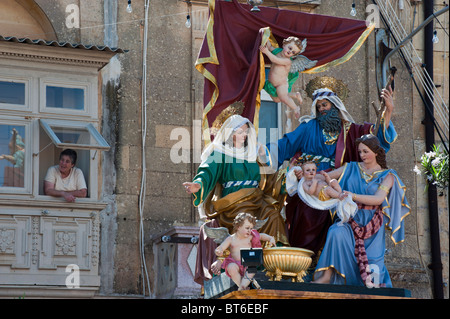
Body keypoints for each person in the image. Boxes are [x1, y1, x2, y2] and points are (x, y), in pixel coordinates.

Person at [267, 76, 397, 255]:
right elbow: (286, 145)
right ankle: (305, 257)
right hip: (310, 178)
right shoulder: (308, 127)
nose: (322, 110)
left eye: (325, 105)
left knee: (337, 218)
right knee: (306, 213)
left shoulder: (351, 130)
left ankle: (326, 259)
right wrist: (264, 152)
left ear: (334, 105)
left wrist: (387, 111)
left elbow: (374, 140)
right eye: (319, 106)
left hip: (337, 179)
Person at [183, 111, 288, 285]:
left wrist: (288, 178)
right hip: (233, 206)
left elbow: (269, 178)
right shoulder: (219, 154)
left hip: (257, 200)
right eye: (239, 132)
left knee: (274, 216)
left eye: (246, 131)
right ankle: (247, 269)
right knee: (246, 220)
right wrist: (199, 185)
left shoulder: (254, 154)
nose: (243, 135)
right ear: (230, 134)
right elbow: (206, 172)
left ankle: (275, 265)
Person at [312, 134, 410, 288]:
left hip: (372, 226)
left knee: (374, 268)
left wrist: (353, 195)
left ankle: (374, 290)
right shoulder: (350, 168)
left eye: (366, 151)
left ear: (376, 152)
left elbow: (378, 199)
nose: (362, 155)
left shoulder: (388, 175)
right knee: (335, 232)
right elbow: (324, 177)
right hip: (350, 219)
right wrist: (306, 175)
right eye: (360, 152)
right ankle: (327, 276)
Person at [215, 212, 276, 290]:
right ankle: (242, 286)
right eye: (247, 228)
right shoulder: (231, 239)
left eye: (251, 228)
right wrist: (219, 251)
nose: (250, 231)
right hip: (234, 263)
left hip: (248, 263)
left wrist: (270, 238)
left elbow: (262, 236)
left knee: (252, 269)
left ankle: (243, 287)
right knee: (231, 267)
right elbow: (221, 247)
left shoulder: (250, 237)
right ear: (238, 226)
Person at [259, 36, 304, 118]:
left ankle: (295, 108)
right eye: (290, 48)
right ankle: (295, 95)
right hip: (272, 83)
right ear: (284, 45)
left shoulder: (287, 61)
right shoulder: (278, 51)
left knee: (283, 97)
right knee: (276, 100)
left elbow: (275, 60)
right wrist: (265, 36)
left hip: (281, 84)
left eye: (293, 52)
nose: (290, 52)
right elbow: (270, 47)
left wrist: (266, 52)